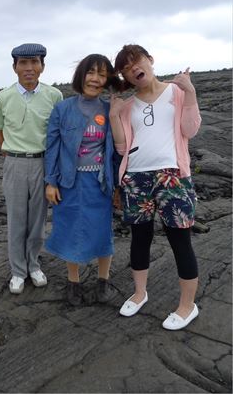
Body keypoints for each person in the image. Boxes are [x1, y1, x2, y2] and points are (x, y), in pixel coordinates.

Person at [109, 44, 201, 330]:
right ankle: (139, 293)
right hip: (136, 177)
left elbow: (190, 129)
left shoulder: (177, 92)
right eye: (125, 68)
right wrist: (114, 116)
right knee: (139, 238)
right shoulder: (127, 106)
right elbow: (122, 147)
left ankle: (188, 306)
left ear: (149, 60)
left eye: (136, 61)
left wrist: (191, 93)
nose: (133, 68)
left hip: (173, 176)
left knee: (179, 240)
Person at [44, 54, 121, 306]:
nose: (95, 79)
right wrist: (51, 182)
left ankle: (103, 281)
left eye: (101, 74)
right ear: (81, 75)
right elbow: (52, 148)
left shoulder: (111, 110)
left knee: (102, 230)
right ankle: (73, 282)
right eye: (91, 72)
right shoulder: (62, 109)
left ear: (107, 79)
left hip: (100, 183)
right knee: (69, 230)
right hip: (69, 182)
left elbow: (118, 150)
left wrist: (117, 187)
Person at [0, 43, 63, 294]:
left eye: (34, 62)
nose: (29, 68)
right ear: (14, 67)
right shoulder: (2, 98)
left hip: (44, 163)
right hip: (15, 164)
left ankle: (34, 265)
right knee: (16, 219)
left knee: (38, 220)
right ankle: (18, 271)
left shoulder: (54, 96)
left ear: (42, 66)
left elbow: (56, 134)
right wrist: (13, 153)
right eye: (23, 63)